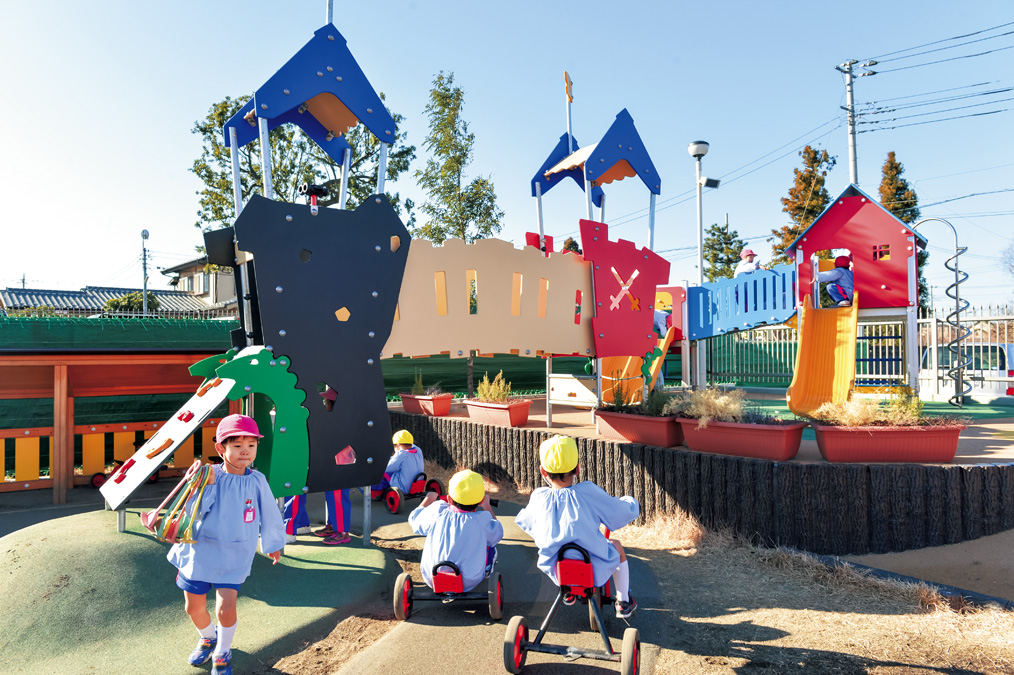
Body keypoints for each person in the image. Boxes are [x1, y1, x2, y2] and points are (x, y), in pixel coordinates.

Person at [167, 414, 285, 675]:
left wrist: (273, 543)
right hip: (200, 551)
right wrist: (203, 484)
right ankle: (208, 637)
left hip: (235, 553)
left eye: (251, 445)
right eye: (237, 445)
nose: (245, 451)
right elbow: (194, 513)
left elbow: (270, 514)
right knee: (193, 607)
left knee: (226, 606)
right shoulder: (208, 475)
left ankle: (222, 651)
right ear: (221, 449)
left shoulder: (257, 480)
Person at [515, 435, 641, 619]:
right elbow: (618, 513)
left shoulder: (539, 497)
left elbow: (526, 521)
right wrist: (631, 503)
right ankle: (623, 601)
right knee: (617, 546)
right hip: (592, 563)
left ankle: (568, 591)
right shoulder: (587, 492)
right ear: (578, 469)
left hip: (557, 568)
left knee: (561, 549)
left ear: (543, 471)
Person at [408, 469, 503, 591]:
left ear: (449, 499)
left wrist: (428, 500)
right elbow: (497, 534)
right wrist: (487, 507)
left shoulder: (437, 511)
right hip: (469, 580)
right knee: (491, 546)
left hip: (432, 576)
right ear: (480, 501)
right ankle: (487, 569)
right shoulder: (482, 520)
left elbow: (414, 520)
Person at [371, 430, 424, 499]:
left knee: (385, 473)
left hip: (403, 488)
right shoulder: (418, 451)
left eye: (394, 446)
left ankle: (375, 489)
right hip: (417, 485)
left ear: (398, 445)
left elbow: (386, 467)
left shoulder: (401, 455)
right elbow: (411, 445)